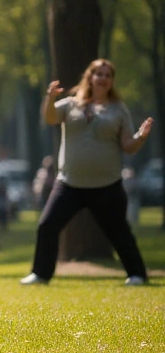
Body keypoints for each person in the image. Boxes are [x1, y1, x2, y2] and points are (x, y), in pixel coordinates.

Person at [21, 59, 153, 286]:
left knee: (119, 231)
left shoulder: (118, 109)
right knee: (47, 226)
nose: (103, 78)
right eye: (98, 74)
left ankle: (137, 274)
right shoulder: (71, 104)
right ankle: (41, 274)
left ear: (111, 81)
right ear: (90, 77)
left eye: (107, 75)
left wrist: (141, 136)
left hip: (106, 184)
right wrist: (50, 98)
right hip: (69, 183)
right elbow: (50, 118)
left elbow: (128, 146)